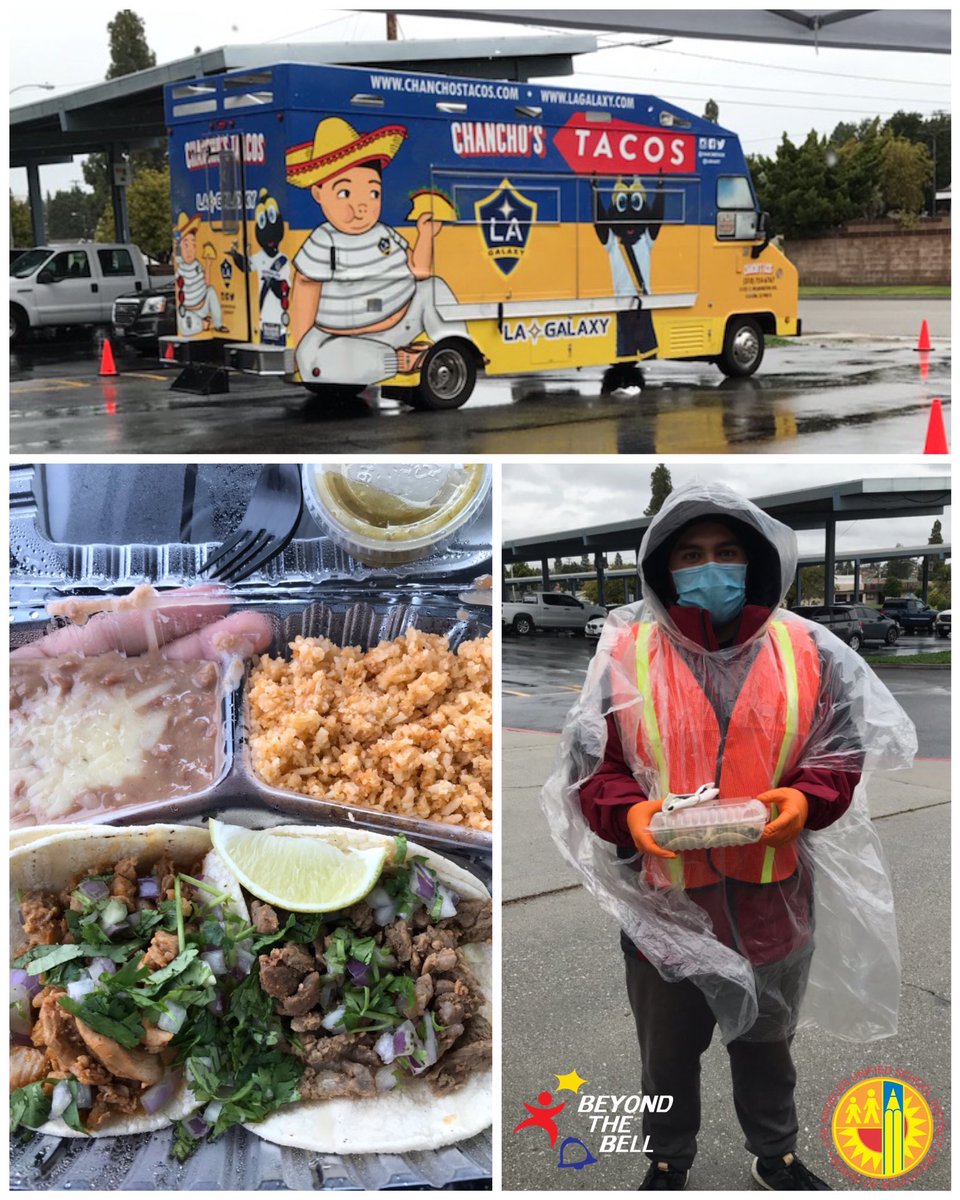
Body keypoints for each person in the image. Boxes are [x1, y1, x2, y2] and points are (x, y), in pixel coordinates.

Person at [543, 483, 916, 1192]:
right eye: (690, 554)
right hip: (666, 912)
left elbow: (839, 757)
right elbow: (593, 771)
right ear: (663, 568)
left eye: (726, 553)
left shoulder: (807, 650)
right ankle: (666, 1160)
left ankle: (773, 1155)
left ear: (756, 565)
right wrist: (630, 817)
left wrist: (807, 802)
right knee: (667, 1057)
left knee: (768, 1048)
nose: (709, 568)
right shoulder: (627, 653)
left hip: (774, 901)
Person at [284, 116, 466, 387]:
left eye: (373, 194)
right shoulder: (323, 240)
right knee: (315, 358)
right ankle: (401, 359)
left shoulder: (384, 233)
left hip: (404, 320)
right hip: (345, 337)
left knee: (433, 287)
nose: (361, 206)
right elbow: (305, 291)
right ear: (318, 193)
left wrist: (426, 235)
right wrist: (299, 348)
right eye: (345, 193)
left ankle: (453, 343)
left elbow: (419, 271)